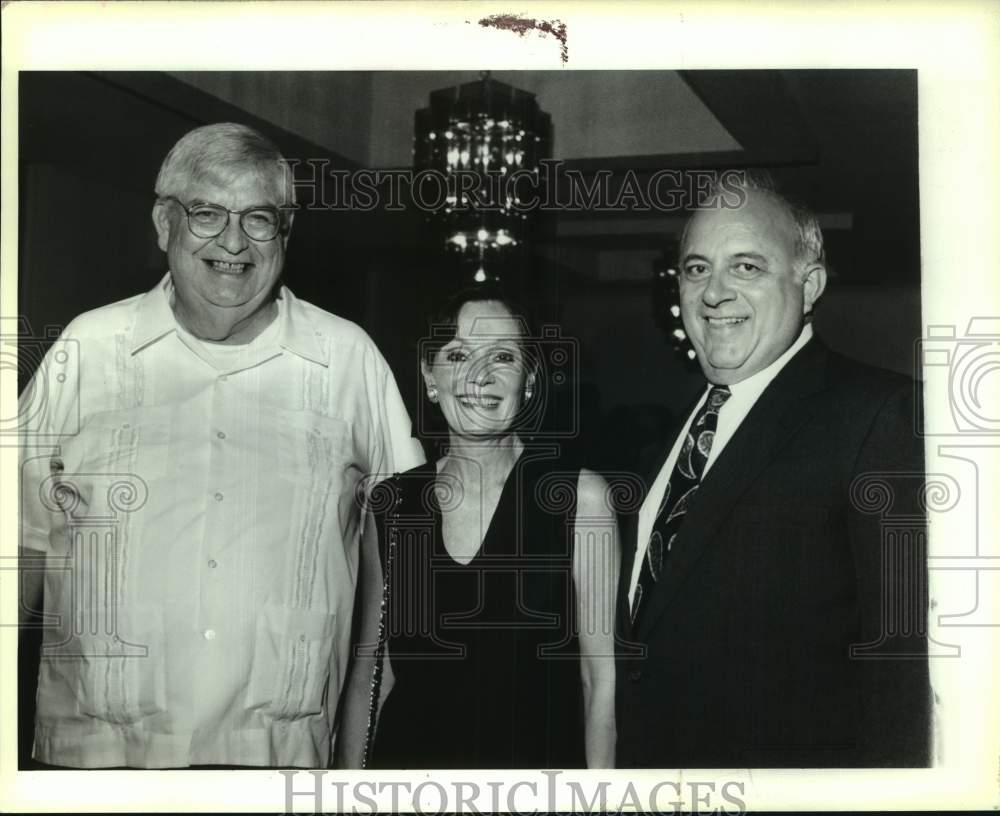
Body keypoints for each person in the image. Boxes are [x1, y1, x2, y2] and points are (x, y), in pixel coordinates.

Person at [18, 122, 424, 768]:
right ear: (163, 223)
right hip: (97, 759)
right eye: (207, 213)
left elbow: (402, 573)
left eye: (258, 219)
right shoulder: (85, 350)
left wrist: (362, 765)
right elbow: (20, 545)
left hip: (279, 761)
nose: (233, 242)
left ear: (284, 234)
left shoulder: (349, 362)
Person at [616, 175, 931, 768]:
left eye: (747, 267)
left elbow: (901, 674)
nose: (713, 293)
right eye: (696, 268)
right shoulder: (672, 436)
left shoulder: (878, 416)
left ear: (808, 284)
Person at [338, 287, 618, 769]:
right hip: (408, 785)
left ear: (528, 380)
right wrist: (347, 794)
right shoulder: (391, 505)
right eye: (458, 354)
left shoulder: (579, 498)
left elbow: (601, 682)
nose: (479, 376)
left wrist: (599, 798)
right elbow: (372, 672)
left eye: (503, 357)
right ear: (430, 375)